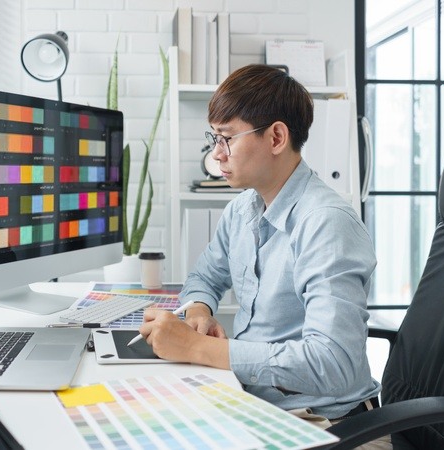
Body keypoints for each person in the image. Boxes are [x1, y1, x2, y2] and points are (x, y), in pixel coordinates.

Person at [139, 64, 381, 421]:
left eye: (227, 138)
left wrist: (197, 348)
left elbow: (333, 363)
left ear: (276, 138)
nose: (217, 154)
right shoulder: (241, 210)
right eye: (214, 139)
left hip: (327, 423)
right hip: (256, 404)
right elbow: (204, 279)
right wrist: (198, 314)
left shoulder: (325, 224)